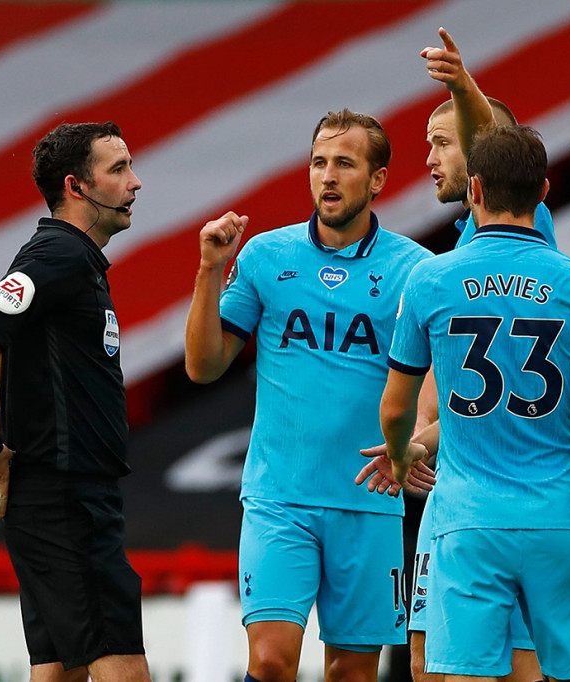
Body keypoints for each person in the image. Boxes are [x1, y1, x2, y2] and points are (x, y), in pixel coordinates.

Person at [380, 124, 570, 682]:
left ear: (473, 190)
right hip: (560, 520)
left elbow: (396, 409)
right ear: (544, 192)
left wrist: (402, 455)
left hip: (468, 523)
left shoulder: (430, 279)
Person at [184, 109, 432, 682]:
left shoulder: (414, 270)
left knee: (349, 672)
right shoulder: (266, 257)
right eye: (319, 162)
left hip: (369, 499)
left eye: (344, 163)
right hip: (279, 497)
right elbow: (203, 365)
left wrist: (418, 440)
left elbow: (436, 377)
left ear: (377, 180)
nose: (327, 175)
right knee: (270, 662)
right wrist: (208, 270)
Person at [356, 28, 549, 682]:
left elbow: (484, 143)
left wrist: (462, 87)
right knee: (426, 662)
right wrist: (419, 442)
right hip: (457, 491)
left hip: (496, 500)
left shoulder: (522, 229)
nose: (432, 161)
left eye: (442, 145)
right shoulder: (459, 258)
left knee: (467, 666)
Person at [0, 122, 150, 681]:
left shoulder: (71, 260)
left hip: (57, 497)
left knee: (59, 668)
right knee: (122, 665)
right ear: (76, 186)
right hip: (67, 495)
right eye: (118, 169)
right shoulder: (60, 254)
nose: (135, 183)